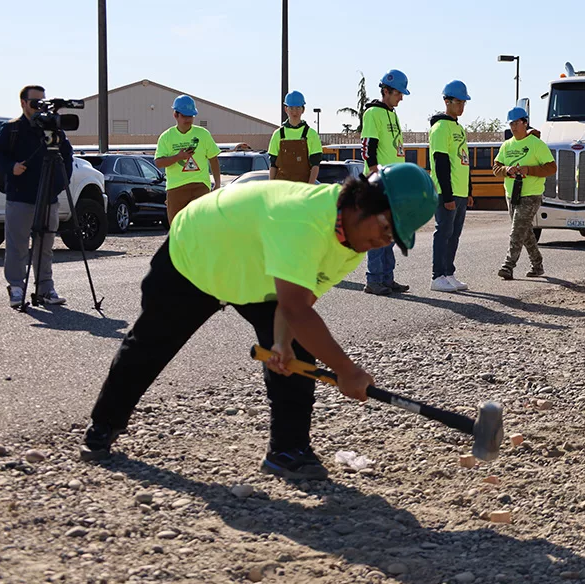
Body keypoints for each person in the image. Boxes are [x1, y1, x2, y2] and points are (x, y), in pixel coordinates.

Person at [80, 163, 438, 480]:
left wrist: (280, 344)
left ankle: (288, 451)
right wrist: (346, 369)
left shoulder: (349, 244)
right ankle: (104, 425)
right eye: (387, 229)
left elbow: (298, 305)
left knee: (296, 353)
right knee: (151, 343)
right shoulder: (304, 218)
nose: (382, 242)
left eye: (392, 239)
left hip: (259, 276)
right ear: (363, 203)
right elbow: (299, 309)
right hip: (198, 255)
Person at [0, 85, 72, 308]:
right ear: (23, 103)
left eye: (42, 101)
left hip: (48, 198)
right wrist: (11, 166)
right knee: (18, 245)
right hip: (20, 197)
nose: (39, 107)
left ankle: (45, 289)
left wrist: (60, 184)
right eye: (35, 102)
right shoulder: (12, 129)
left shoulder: (52, 129)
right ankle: (16, 287)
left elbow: (67, 157)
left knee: (45, 246)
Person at [361, 69, 411, 296]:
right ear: (386, 91)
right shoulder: (373, 113)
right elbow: (368, 146)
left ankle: (387, 278)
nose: (401, 97)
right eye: (399, 93)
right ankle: (374, 280)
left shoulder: (393, 114)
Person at [492, 107, 556, 280]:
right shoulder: (507, 146)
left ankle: (508, 265)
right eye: (511, 123)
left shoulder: (536, 145)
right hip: (512, 195)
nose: (513, 127)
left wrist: (529, 169)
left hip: (531, 195)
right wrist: (507, 170)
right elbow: (496, 168)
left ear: (525, 123)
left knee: (516, 231)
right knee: (524, 231)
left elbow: (551, 167)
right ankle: (537, 264)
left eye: (517, 123)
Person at [429, 80, 473, 293]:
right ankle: (437, 276)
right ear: (446, 101)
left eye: (464, 102)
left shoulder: (460, 128)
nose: (461, 106)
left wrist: (469, 190)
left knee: (454, 234)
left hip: (461, 191)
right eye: (458, 102)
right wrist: (447, 195)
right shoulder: (439, 128)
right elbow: (441, 163)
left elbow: (464, 161)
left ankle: (449, 273)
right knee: (443, 232)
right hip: (447, 192)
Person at [154, 95, 221, 223]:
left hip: (200, 186)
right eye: (185, 116)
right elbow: (159, 162)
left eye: (191, 116)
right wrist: (178, 157)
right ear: (176, 115)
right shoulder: (166, 137)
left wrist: (217, 183)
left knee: (201, 225)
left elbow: (213, 159)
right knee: (176, 227)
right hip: (176, 187)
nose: (188, 119)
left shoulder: (203, 134)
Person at [268, 91, 323, 184]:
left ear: (303, 109)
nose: (294, 112)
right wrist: (271, 187)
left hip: (302, 189)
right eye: (291, 108)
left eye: (298, 108)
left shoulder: (311, 134)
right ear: (286, 109)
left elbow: (315, 165)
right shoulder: (278, 134)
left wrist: (309, 188)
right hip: (281, 188)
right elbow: (273, 165)